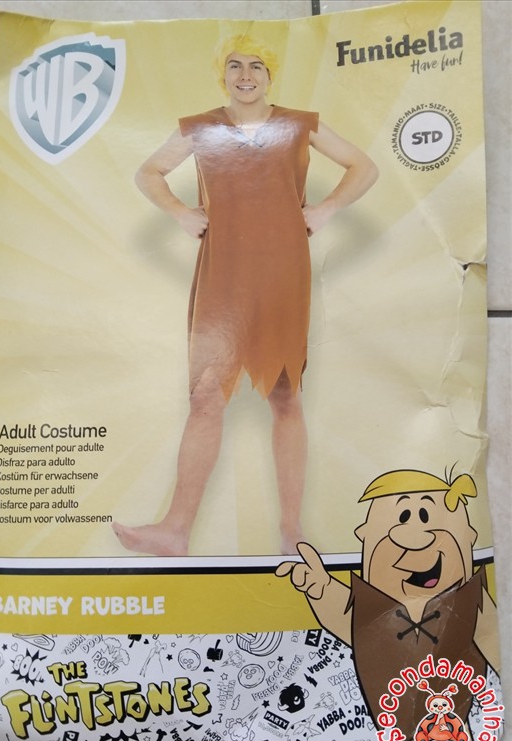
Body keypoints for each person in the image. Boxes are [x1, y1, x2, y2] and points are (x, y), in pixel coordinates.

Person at [112, 33, 378, 557]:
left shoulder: (299, 124)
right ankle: (175, 530)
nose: (246, 75)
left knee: (285, 394)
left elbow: (364, 167)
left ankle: (292, 531)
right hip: (223, 271)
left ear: (270, 74)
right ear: (223, 74)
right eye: (235, 65)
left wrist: (324, 209)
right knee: (205, 395)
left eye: (256, 65)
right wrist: (180, 213)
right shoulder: (201, 127)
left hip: (283, 270)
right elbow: (149, 172)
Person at [276, 469, 502, 741]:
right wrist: (321, 587)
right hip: (388, 717)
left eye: (425, 515)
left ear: (469, 537)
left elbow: (492, 640)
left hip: (455, 711)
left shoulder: (470, 598)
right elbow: (349, 618)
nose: (417, 536)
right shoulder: (372, 606)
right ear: (365, 536)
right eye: (404, 515)